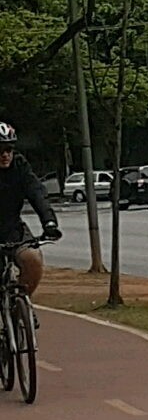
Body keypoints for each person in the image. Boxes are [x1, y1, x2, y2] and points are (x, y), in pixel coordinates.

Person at [0, 122, 62, 296]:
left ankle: (21, 305)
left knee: (33, 260)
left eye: (9, 149)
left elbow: (36, 192)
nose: (5, 155)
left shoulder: (19, 166)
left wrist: (49, 222)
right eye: (0, 150)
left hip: (13, 230)